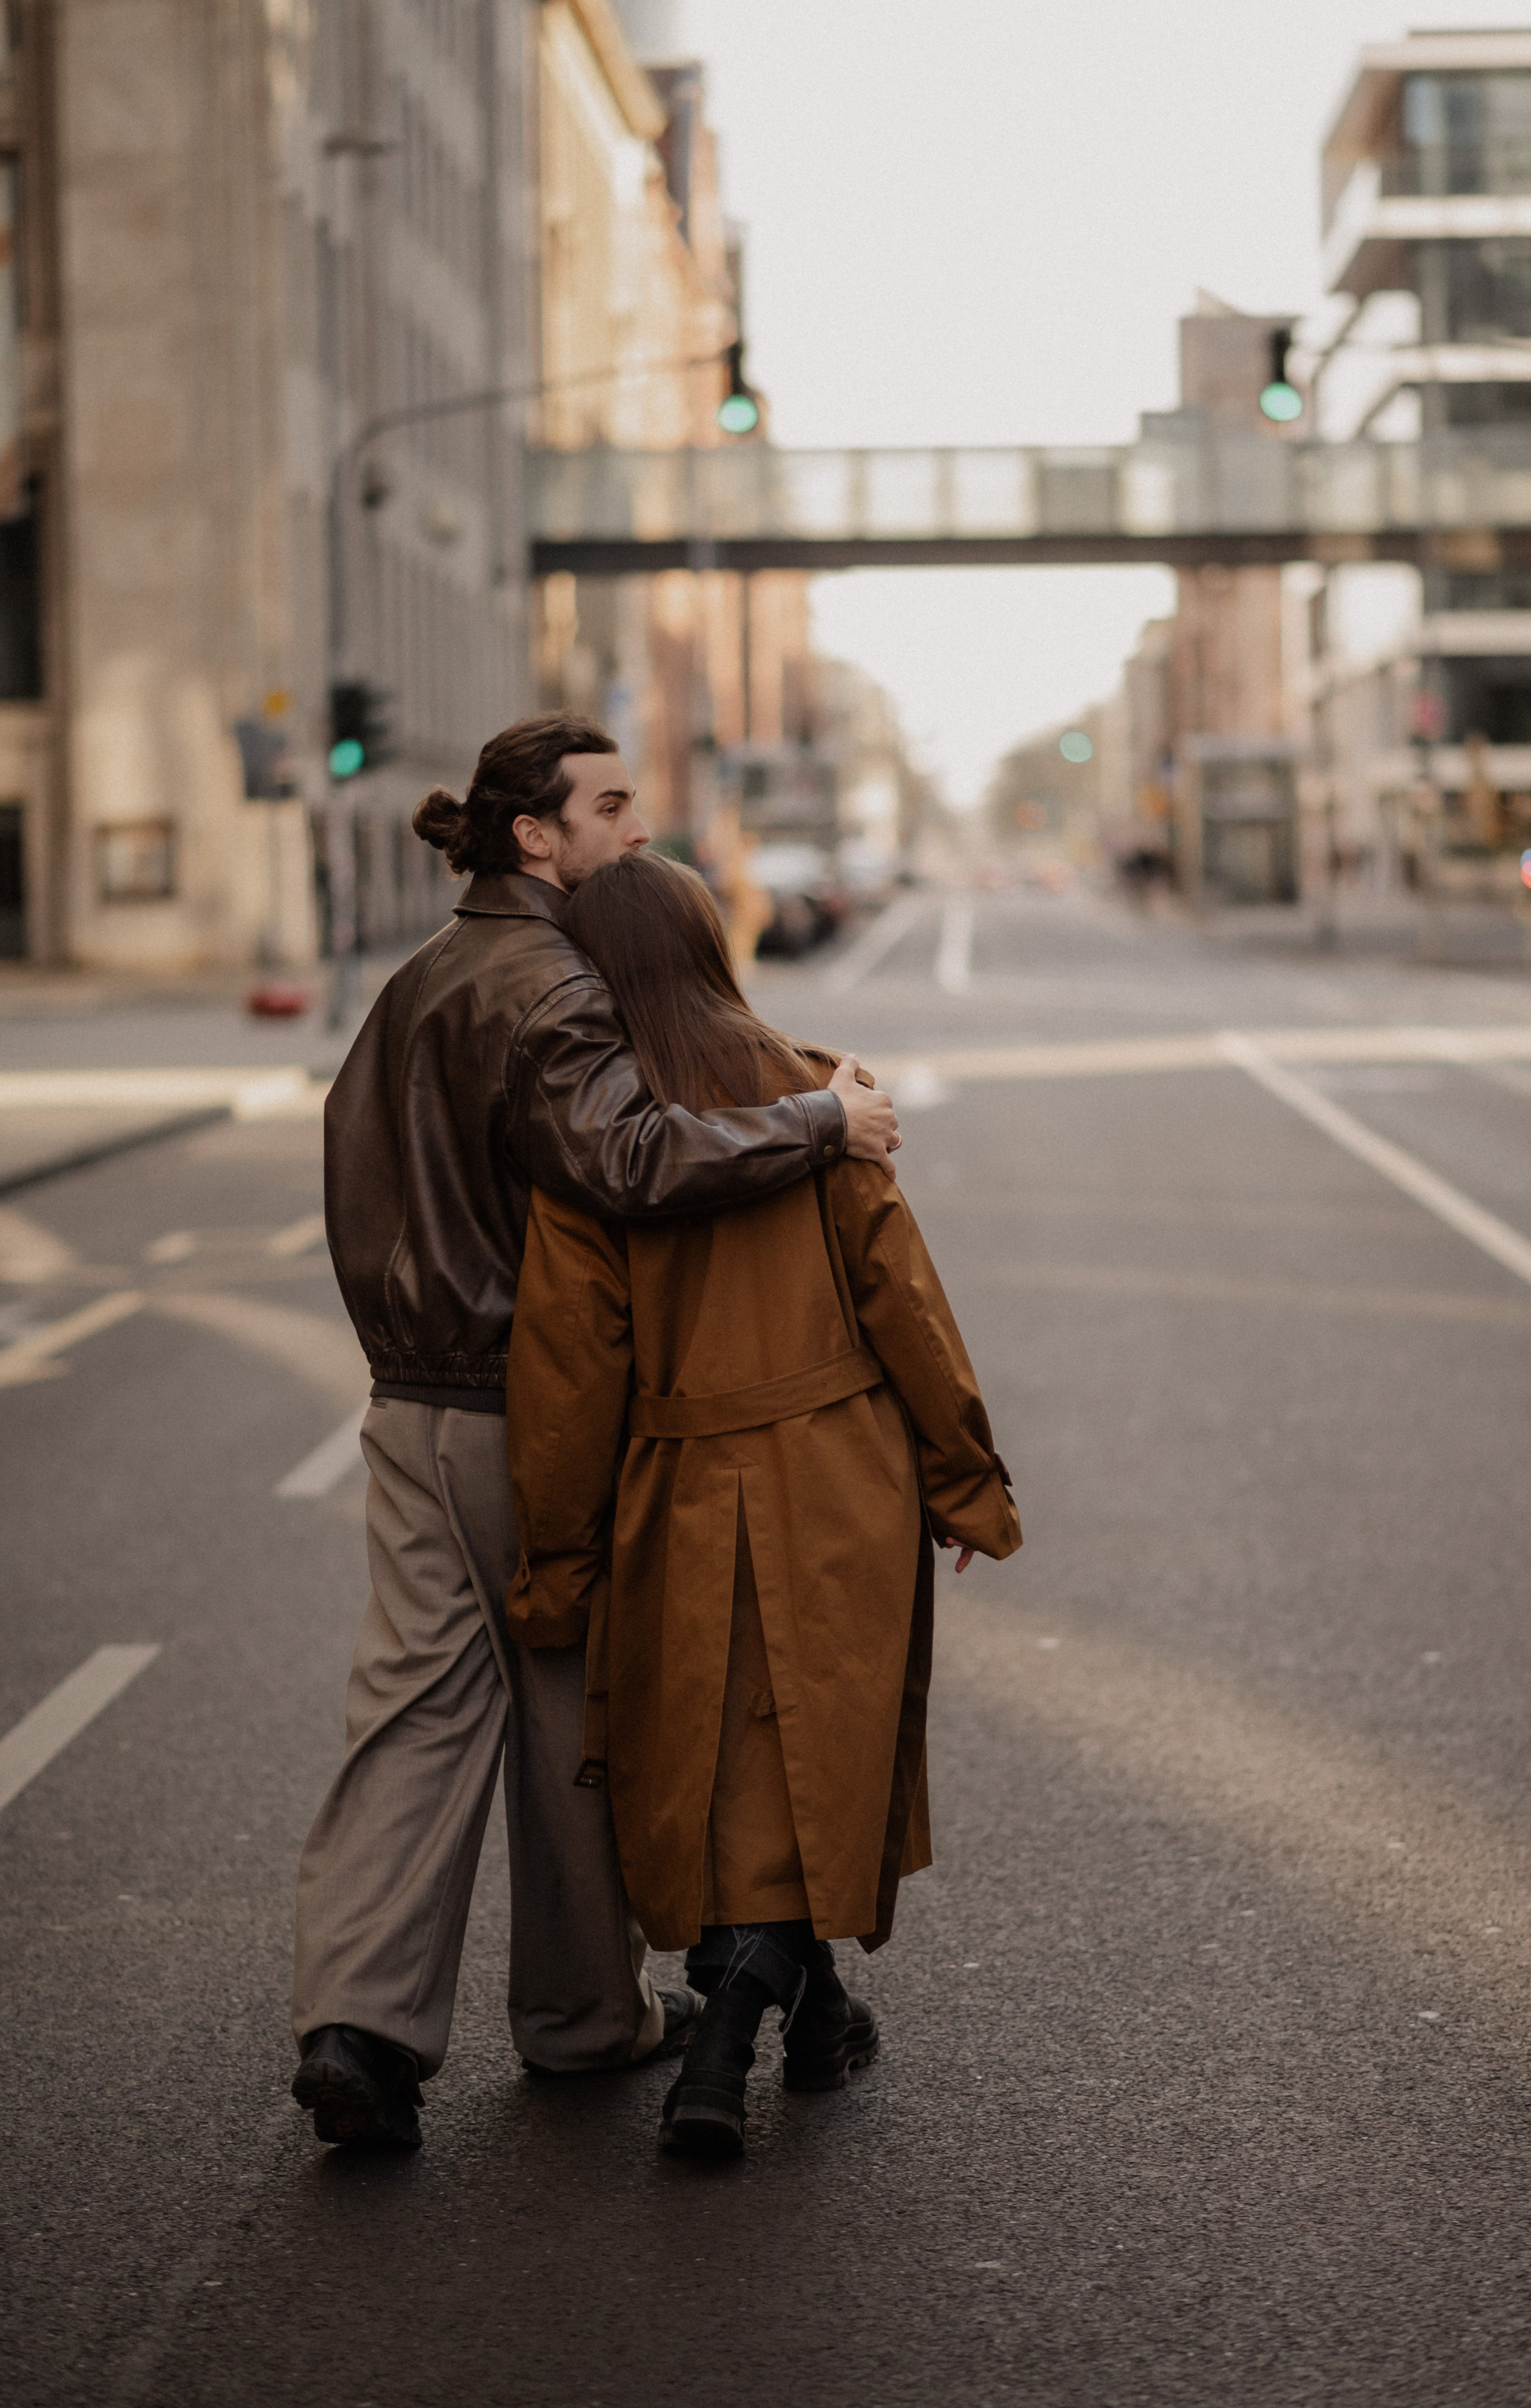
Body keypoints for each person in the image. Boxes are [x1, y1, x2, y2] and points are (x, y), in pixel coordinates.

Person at [291, 714, 901, 2150]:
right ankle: (578, 2018)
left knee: (412, 1709)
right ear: (535, 834)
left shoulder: (420, 976)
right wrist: (818, 1120)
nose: (636, 828)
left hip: (408, 1405)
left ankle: (355, 2023)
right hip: (531, 1408)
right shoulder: (556, 985)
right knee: (575, 1712)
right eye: (610, 805)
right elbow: (628, 1158)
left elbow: (353, 1165)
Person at [504, 850, 1020, 2161]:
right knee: (806, 1755)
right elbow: (902, 1301)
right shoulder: (819, 1090)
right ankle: (743, 2038)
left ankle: (764, 2027)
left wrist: (559, 1559)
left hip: (679, 1483)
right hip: (840, 1472)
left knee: (714, 1762)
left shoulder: (600, 1147)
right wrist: (961, 1477)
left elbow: (568, 1373)